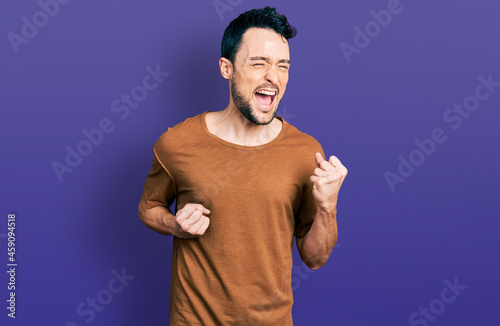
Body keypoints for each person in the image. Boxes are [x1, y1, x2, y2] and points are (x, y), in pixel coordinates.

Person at [138, 6, 347, 325]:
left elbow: (315, 258)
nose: (273, 77)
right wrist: (174, 226)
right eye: (259, 63)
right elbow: (149, 206)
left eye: (283, 65)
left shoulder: (307, 152)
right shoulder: (176, 143)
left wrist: (327, 207)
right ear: (227, 68)